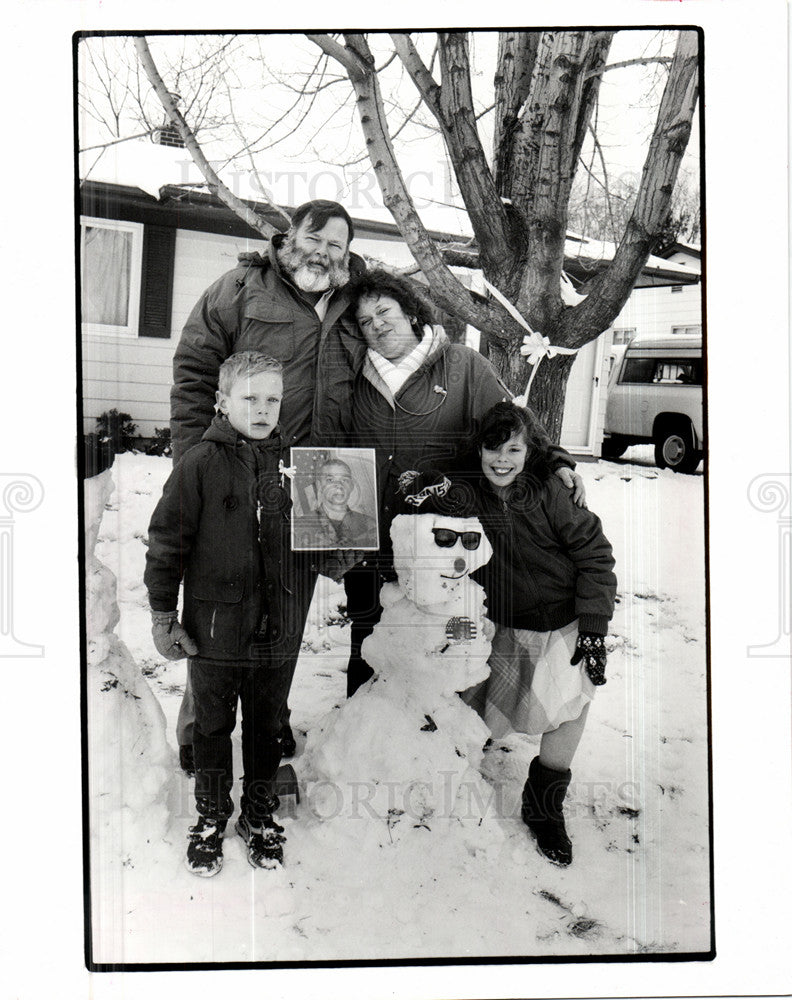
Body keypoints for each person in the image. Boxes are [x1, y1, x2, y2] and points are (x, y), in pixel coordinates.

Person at [169, 199, 367, 771]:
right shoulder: (238, 289)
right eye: (316, 237)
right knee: (217, 608)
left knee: (286, 613)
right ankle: (199, 729)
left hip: (307, 484)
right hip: (233, 474)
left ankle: (269, 723)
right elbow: (194, 376)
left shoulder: (354, 306)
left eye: (337, 245)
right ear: (288, 238)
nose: (324, 252)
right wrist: (194, 469)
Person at [341, 269, 586, 697]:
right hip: (372, 532)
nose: (376, 324)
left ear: (412, 312)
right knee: (370, 633)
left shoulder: (462, 365)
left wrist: (556, 460)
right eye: (365, 321)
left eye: (384, 311)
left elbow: (512, 425)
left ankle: (446, 732)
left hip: (442, 536)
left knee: (446, 634)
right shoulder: (354, 375)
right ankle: (364, 736)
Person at [144, 352, 300, 877]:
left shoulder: (297, 463)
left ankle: (259, 814)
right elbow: (167, 541)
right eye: (249, 398)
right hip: (214, 629)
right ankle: (211, 815)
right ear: (222, 401)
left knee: (265, 724)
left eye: (272, 399)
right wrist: (164, 613)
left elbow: (323, 533)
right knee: (212, 726)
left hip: (278, 626)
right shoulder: (200, 464)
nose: (262, 410)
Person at [464, 401, 617, 867]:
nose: (502, 460)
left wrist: (592, 627)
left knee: (570, 701)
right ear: (477, 451)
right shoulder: (468, 492)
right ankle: (457, 766)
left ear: (531, 452)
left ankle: (544, 801)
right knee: (474, 701)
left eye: (514, 449)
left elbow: (596, 557)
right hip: (500, 620)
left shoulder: (552, 490)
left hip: (558, 619)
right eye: (493, 450)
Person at [292, 457, 378, 549]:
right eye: (330, 480)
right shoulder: (299, 527)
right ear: (319, 486)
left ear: (351, 486)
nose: (339, 485)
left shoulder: (370, 525)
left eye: (344, 480)